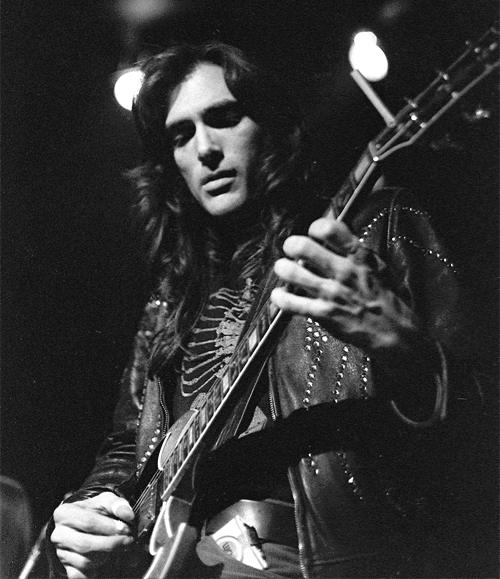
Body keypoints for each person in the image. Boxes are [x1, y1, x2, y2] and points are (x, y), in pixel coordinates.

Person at [47, 42, 472, 579]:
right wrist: (91, 512)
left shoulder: (368, 230)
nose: (205, 149)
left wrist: (403, 346)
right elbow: (128, 449)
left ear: (270, 126)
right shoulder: (172, 296)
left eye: (224, 118)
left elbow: (480, 420)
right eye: (181, 135)